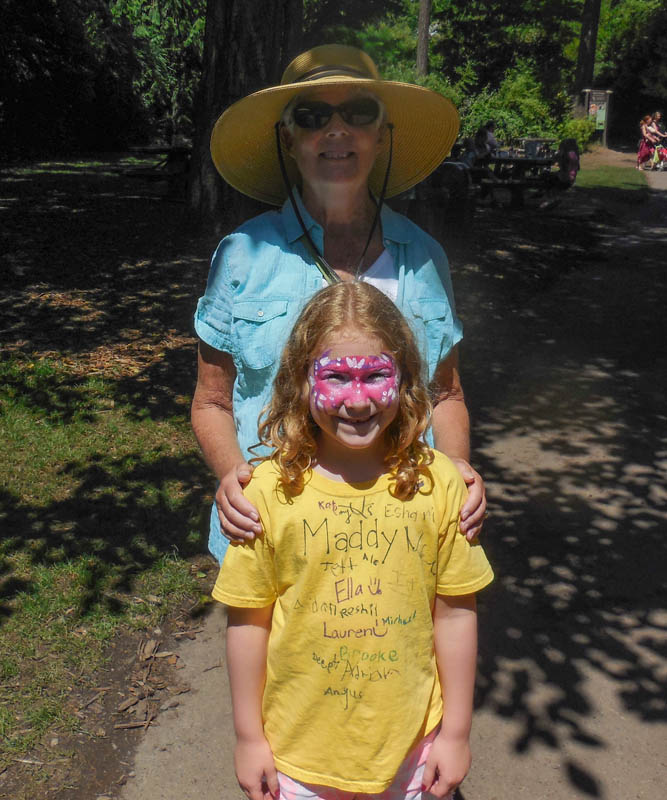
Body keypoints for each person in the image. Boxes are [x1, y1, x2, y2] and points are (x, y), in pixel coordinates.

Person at [192, 45, 487, 566]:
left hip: (402, 537)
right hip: (273, 540)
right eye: (312, 116)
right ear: (288, 138)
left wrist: (457, 470)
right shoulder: (242, 258)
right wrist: (229, 476)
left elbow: (447, 393)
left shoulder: (422, 258)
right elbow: (211, 402)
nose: (336, 129)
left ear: (382, 134)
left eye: (358, 112)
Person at [213, 280, 494, 800]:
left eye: (377, 376)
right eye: (336, 377)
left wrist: (456, 733)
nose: (358, 401)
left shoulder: (437, 483)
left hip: (414, 756)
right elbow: (248, 621)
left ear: (406, 378)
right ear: (300, 381)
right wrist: (248, 737)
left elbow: (455, 613)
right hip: (297, 762)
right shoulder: (268, 493)